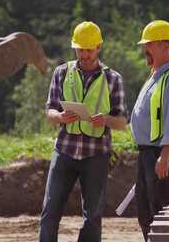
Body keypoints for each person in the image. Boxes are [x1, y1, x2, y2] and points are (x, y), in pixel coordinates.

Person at [40, 21, 128, 242]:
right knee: (50, 211)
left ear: (99, 47)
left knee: (93, 216)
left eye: (89, 49)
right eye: (81, 49)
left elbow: (122, 121)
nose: (85, 54)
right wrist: (59, 117)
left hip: (96, 154)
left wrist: (106, 120)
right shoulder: (61, 72)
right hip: (64, 151)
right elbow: (49, 110)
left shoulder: (113, 79)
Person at [130, 20, 169, 241]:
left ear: (164, 45)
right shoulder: (155, 75)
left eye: (149, 44)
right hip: (148, 153)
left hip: (161, 155)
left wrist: (165, 156)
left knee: (163, 215)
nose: (145, 49)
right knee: (146, 214)